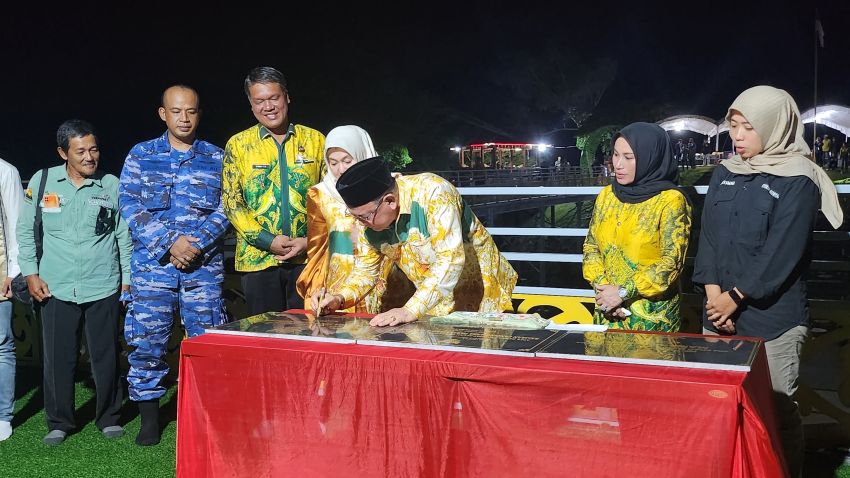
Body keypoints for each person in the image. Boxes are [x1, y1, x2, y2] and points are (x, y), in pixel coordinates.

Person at [692, 85, 843, 478]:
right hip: (717, 313)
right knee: (721, 403)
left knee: (776, 412)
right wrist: (714, 299)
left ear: (775, 127)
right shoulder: (725, 171)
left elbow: (783, 252)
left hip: (773, 319)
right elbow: (707, 238)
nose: (737, 136)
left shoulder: (799, 178)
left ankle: (781, 470)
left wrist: (735, 298)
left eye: (747, 127)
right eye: (734, 125)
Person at [119, 85, 230, 446]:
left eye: (192, 111)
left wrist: (195, 244)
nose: (185, 118)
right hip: (154, 269)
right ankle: (150, 419)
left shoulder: (217, 157)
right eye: (177, 111)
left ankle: (202, 414)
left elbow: (229, 207)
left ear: (199, 113)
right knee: (147, 342)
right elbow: (130, 203)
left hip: (203, 268)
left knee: (206, 341)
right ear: (162, 113)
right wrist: (170, 243)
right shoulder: (141, 155)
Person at [17, 119, 131, 445]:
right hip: (55, 286)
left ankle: (108, 415)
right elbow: (26, 231)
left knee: (105, 355)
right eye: (80, 151)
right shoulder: (42, 182)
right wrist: (31, 272)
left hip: (103, 284)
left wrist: (128, 280)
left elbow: (123, 235)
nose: (89, 156)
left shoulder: (111, 185)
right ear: (63, 153)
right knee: (58, 358)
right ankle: (59, 421)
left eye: (93, 149)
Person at [314, 157, 517, 327]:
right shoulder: (369, 222)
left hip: (479, 286)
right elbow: (365, 271)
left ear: (390, 201)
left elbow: (451, 259)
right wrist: (339, 298)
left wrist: (411, 309)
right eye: (355, 217)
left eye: (365, 217)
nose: (361, 225)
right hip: (432, 295)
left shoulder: (434, 193)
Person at [222, 67, 325, 315]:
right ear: (251, 105)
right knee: (266, 337)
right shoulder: (238, 145)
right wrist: (269, 242)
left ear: (287, 97)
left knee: (310, 334)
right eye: (259, 101)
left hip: (308, 259)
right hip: (258, 262)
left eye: (273, 98)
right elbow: (232, 204)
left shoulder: (315, 141)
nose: (268, 106)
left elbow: (330, 200)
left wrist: (308, 242)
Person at [582, 122, 692, 332]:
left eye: (629, 157)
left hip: (651, 317)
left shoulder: (670, 201)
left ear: (651, 158)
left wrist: (622, 293)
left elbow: (671, 263)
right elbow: (591, 247)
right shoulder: (607, 196)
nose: (618, 164)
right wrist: (605, 290)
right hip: (606, 311)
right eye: (615, 155)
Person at [296, 126, 412, 313]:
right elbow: (317, 247)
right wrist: (316, 287)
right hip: (342, 281)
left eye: (347, 161)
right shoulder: (320, 194)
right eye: (333, 163)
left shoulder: (390, 187)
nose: (340, 169)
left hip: (388, 277)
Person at [0, 156, 22, 442]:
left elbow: (16, 223)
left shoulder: (5, 170)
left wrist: (14, 272)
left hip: (0, 270)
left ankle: (3, 414)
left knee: (1, 345)